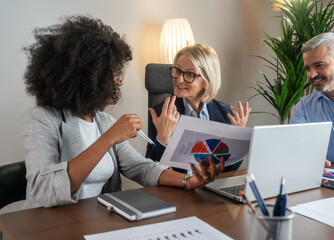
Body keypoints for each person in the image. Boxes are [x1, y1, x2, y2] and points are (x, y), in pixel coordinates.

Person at [22, 16, 224, 209]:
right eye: (113, 74)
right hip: (49, 225)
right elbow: (44, 189)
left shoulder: (104, 121)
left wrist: (189, 181)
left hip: (97, 221)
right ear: (86, 78)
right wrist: (109, 138)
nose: (120, 80)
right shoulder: (41, 119)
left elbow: (141, 167)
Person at [146, 44, 252, 172]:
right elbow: (150, 169)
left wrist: (237, 142)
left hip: (211, 188)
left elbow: (227, 173)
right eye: (177, 71)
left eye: (190, 74)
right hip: (179, 188)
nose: (179, 79)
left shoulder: (225, 114)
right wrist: (163, 138)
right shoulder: (162, 113)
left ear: (207, 80)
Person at [290, 32, 334, 167]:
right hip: (324, 183)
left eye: (319, 65)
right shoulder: (304, 107)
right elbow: (297, 151)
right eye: (307, 68)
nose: (312, 74)